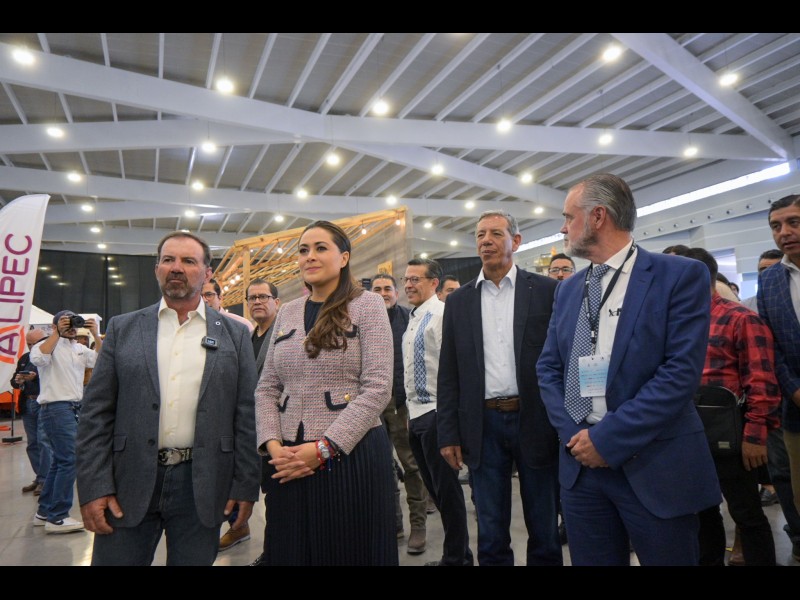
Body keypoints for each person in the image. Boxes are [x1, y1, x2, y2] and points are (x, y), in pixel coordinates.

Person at [536, 173, 721, 566]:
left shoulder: (679, 276)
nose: (563, 227)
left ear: (598, 216)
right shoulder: (568, 289)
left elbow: (679, 375)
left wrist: (607, 439)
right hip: (581, 468)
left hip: (654, 463)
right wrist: (575, 436)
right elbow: (548, 368)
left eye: (569, 217)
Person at [76, 231, 260, 566]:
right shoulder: (123, 328)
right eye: (168, 260)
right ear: (157, 269)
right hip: (128, 480)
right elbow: (95, 414)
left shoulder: (235, 334)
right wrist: (94, 486)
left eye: (188, 261)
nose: (176, 267)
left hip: (203, 484)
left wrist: (245, 486)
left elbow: (246, 414)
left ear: (207, 273)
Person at [255, 220, 396, 566]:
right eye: (303, 250)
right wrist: (273, 446)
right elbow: (267, 387)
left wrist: (324, 449)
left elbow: (378, 387)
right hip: (288, 460)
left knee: (349, 551)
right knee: (290, 551)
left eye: (321, 248)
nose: (310, 256)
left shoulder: (368, 305)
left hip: (350, 454)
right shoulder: (287, 312)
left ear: (344, 257)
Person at [437, 210, 561, 566]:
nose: (486, 241)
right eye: (480, 235)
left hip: (535, 420)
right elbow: (449, 372)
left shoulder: (547, 291)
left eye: (495, 233)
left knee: (544, 526)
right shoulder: (459, 301)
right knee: (491, 530)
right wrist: (448, 433)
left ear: (515, 241)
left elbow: (562, 359)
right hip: (482, 425)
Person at [684, 247, 779, 567]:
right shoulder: (678, 322)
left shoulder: (741, 318)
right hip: (689, 434)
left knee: (746, 513)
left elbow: (762, 381)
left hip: (732, 435)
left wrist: (755, 436)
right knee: (702, 513)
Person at [402, 258, 473, 566]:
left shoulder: (442, 315)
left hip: (436, 414)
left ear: (434, 283)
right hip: (416, 415)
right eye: (406, 279)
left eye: (415, 279)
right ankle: (458, 555)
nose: (408, 285)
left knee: (447, 493)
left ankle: (457, 559)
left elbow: (455, 370)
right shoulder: (413, 318)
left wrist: (450, 422)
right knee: (436, 491)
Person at [371, 272, 428, 554]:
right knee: (382, 466)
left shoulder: (410, 318)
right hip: (372, 405)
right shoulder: (363, 320)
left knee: (411, 465)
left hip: (403, 403)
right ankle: (393, 523)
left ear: (396, 293)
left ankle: (418, 525)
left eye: (387, 288)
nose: (382, 293)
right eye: (377, 289)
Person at [30, 311, 102, 534]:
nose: (71, 327)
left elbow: (101, 360)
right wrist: (57, 333)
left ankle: (44, 512)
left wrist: (96, 334)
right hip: (56, 408)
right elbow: (38, 359)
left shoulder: (78, 348)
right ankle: (58, 516)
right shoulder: (45, 346)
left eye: (73, 323)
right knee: (70, 460)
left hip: (74, 408)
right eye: (65, 322)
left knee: (59, 461)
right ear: (54, 326)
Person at [757, 193, 800, 561]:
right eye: (776, 225)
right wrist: (794, 390)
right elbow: (771, 345)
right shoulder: (770, 281)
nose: (784, 232)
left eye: (793, 222)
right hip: (796, 408)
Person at [202, 278, 256, 552]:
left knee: (233, 466)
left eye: (209, 294)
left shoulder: (239, 326)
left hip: (232, 408)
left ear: (220, 298)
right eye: (202, 294)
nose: (205, 299)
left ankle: (238, 525)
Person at [244, 278, 281, 566]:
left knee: (277, 497)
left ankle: (275, 553)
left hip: (278, 428)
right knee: (265, 493)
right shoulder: (248, 337)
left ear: (276, 302)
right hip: (251, 427)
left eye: (263, 297)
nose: (257, 301)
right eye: (252, 298)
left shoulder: (285, 333)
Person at [10, 329, 48, 496]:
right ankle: (40, 477)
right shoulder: (25, 358)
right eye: (29, 344)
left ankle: (45, 479)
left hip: (44, 403)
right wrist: (18, 381)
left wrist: (36, 378)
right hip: (27, 403)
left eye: (35, 343)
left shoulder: (49, 357)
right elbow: (14, 381)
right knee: (32, 443)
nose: (32, 346)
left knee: (44, 442)